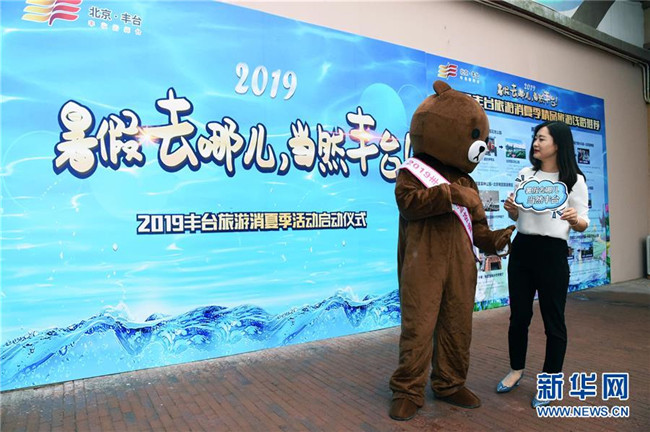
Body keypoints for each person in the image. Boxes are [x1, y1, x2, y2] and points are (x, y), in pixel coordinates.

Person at [496, 121, 589, 408]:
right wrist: (512, 211)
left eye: (542, 139)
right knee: (519, 317)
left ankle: (550, 381)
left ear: (558, 144)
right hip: (522, 249)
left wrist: (575, 219)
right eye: (535, 138)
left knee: (553, 320)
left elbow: (583, 221)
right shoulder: (526, 175)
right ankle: (516, 370)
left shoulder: (574, 180)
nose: (536, 143)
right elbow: (517, 217)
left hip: (552, 253)